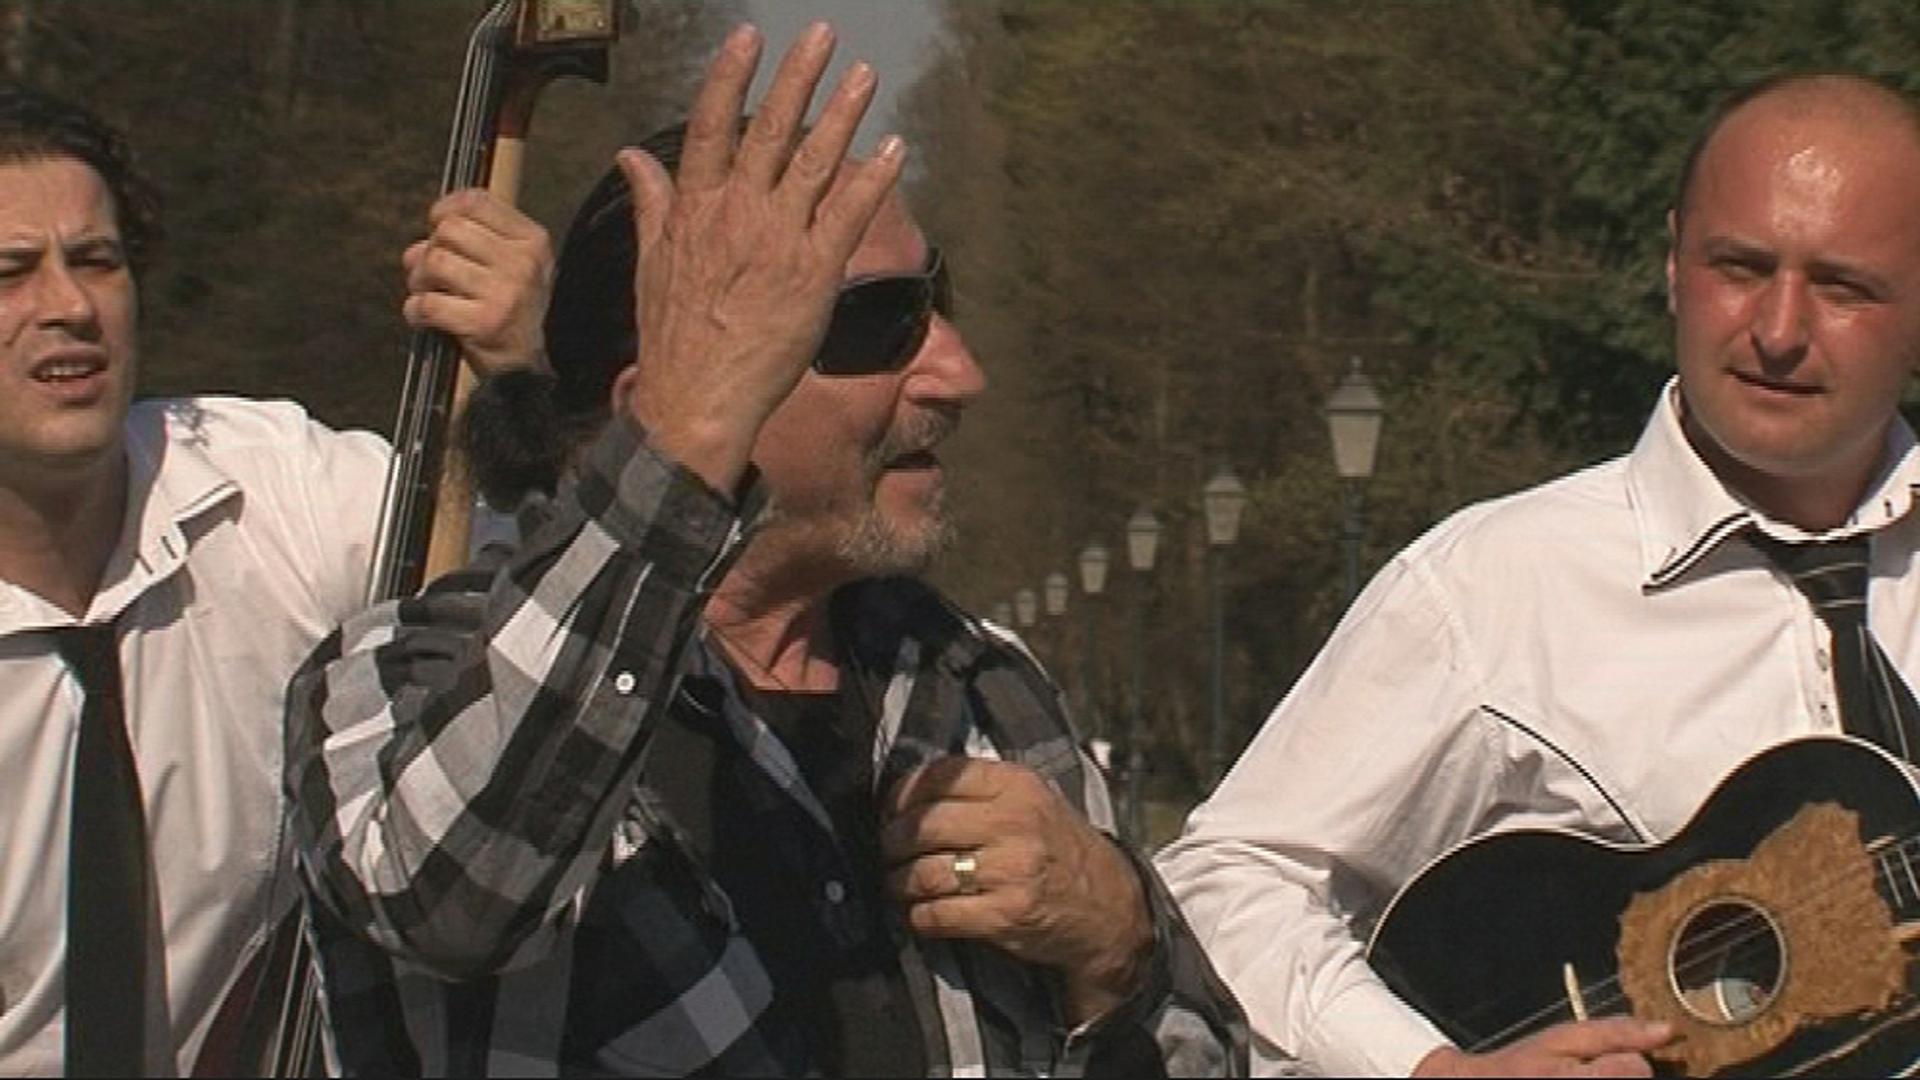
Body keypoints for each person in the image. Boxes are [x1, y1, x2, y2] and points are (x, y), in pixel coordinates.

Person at [286, 23, 1247, 1077]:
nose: (959, 374)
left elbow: (1209, 1049)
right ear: (663, 397)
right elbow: (447, 894)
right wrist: (686, 440)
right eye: (881, 325)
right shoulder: (413, 676)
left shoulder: (981, 686)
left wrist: (1119, 947)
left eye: (940, 304)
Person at [1156, 71, 1920, 1077]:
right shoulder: (1490, 589)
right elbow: (1225, 878)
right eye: (1739, 267)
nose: (1778, 331)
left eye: (1843, 287)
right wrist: (1433, 1070)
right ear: (1673, 265)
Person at [0, 83, 552, 1074]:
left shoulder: (274, 491)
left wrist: (521, 380)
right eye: (9, 272)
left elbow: (553, 591)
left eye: (97, 261)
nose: (70, 307)